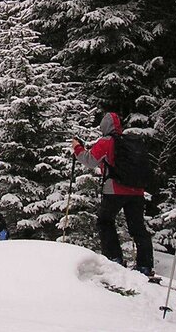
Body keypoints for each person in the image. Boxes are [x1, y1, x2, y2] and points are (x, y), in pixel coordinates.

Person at [70, 112, 155, 276]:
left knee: (105, 221)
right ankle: (145, 265)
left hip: (115, 189)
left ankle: (114, 258)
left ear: (104, 126)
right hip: (137, 190)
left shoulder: (106, 141)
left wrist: (77, 148)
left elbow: (90, 160)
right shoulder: (130, 142)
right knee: (138, 228)